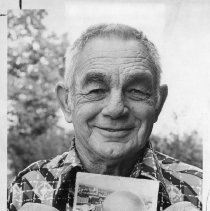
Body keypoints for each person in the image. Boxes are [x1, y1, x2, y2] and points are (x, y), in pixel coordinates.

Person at [7, 24, 202, 211]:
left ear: (158, 103)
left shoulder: (200, 190)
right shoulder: (26, 188)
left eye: (136, 90)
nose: (115, 109)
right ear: (67, 102)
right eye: (96, 90)